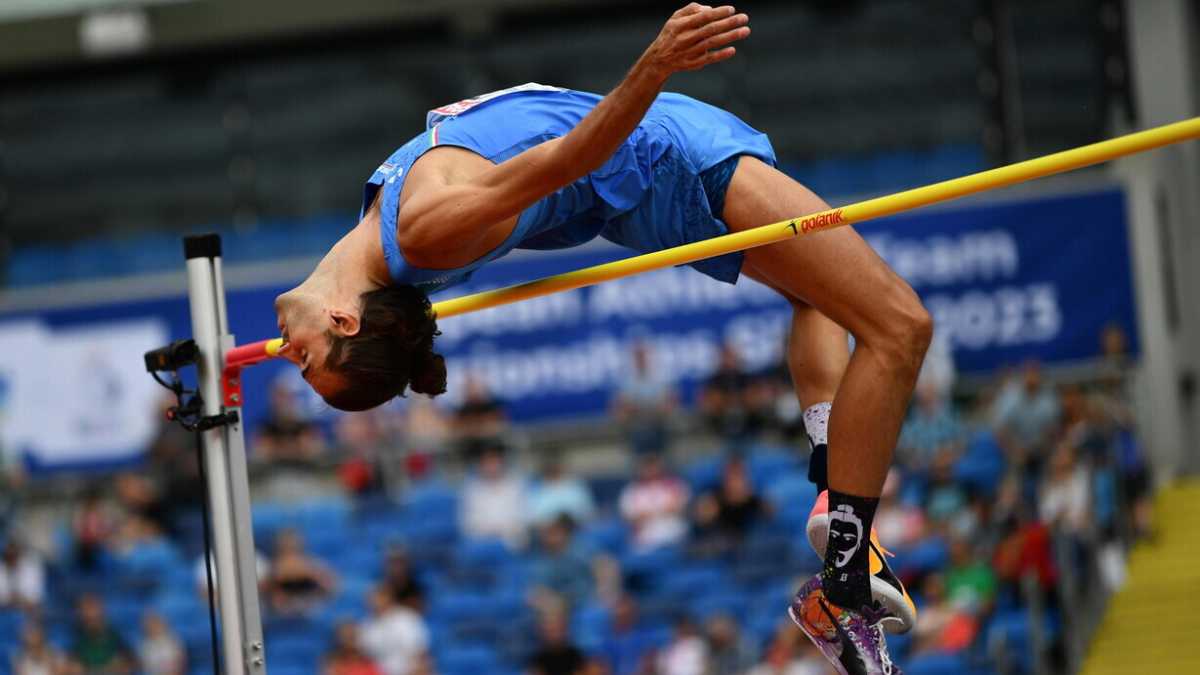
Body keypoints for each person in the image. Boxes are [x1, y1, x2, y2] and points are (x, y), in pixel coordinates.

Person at [273, 4, 932, 668]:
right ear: (343, 321)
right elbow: (570, 157)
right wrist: (657, 61)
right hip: (665, 158)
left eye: (301, 365)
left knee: (815, 296)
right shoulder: (421, 228)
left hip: (644, 173)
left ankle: (833, 494)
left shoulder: (380, 230)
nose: (288, 354)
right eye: (305, 361)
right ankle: (846, 577)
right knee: (900, 328)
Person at [459, 443, 529, 549]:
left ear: (502, 462)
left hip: (511, 543)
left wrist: (502, 531)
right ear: (480, 465)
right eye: (486, 462)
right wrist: (490, 532)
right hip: (481, 543)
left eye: (494, 462)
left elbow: (523, 519)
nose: (491, 466)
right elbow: (467, 524)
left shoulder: (516, 486)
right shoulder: (471, 490)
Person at [265, 529, 337, 616]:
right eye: (285, 547)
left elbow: (332, 590)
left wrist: (309, 574)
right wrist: (277, 579)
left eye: (293, 546)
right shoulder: (267, 569)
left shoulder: (315, 565)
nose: (290, 549)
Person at [359, 586, 430, 675]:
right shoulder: (366, 624)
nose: (375, 602)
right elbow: (365, 656)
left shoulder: (407, 619)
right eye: (372, 598)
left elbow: (420, 653)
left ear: (389, 598)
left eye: (379, 597)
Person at [68, 594, 133, 675]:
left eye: (92, 609)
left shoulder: (116, 638)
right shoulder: (78, 642)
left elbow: (129, 665)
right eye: (84, 610)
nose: (88, 615)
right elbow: (74, 668)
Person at [528, 610, 587, 675]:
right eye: (550, 630)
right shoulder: (537, 659)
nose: (554, 634)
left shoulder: (576, 656)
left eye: (557, 629)